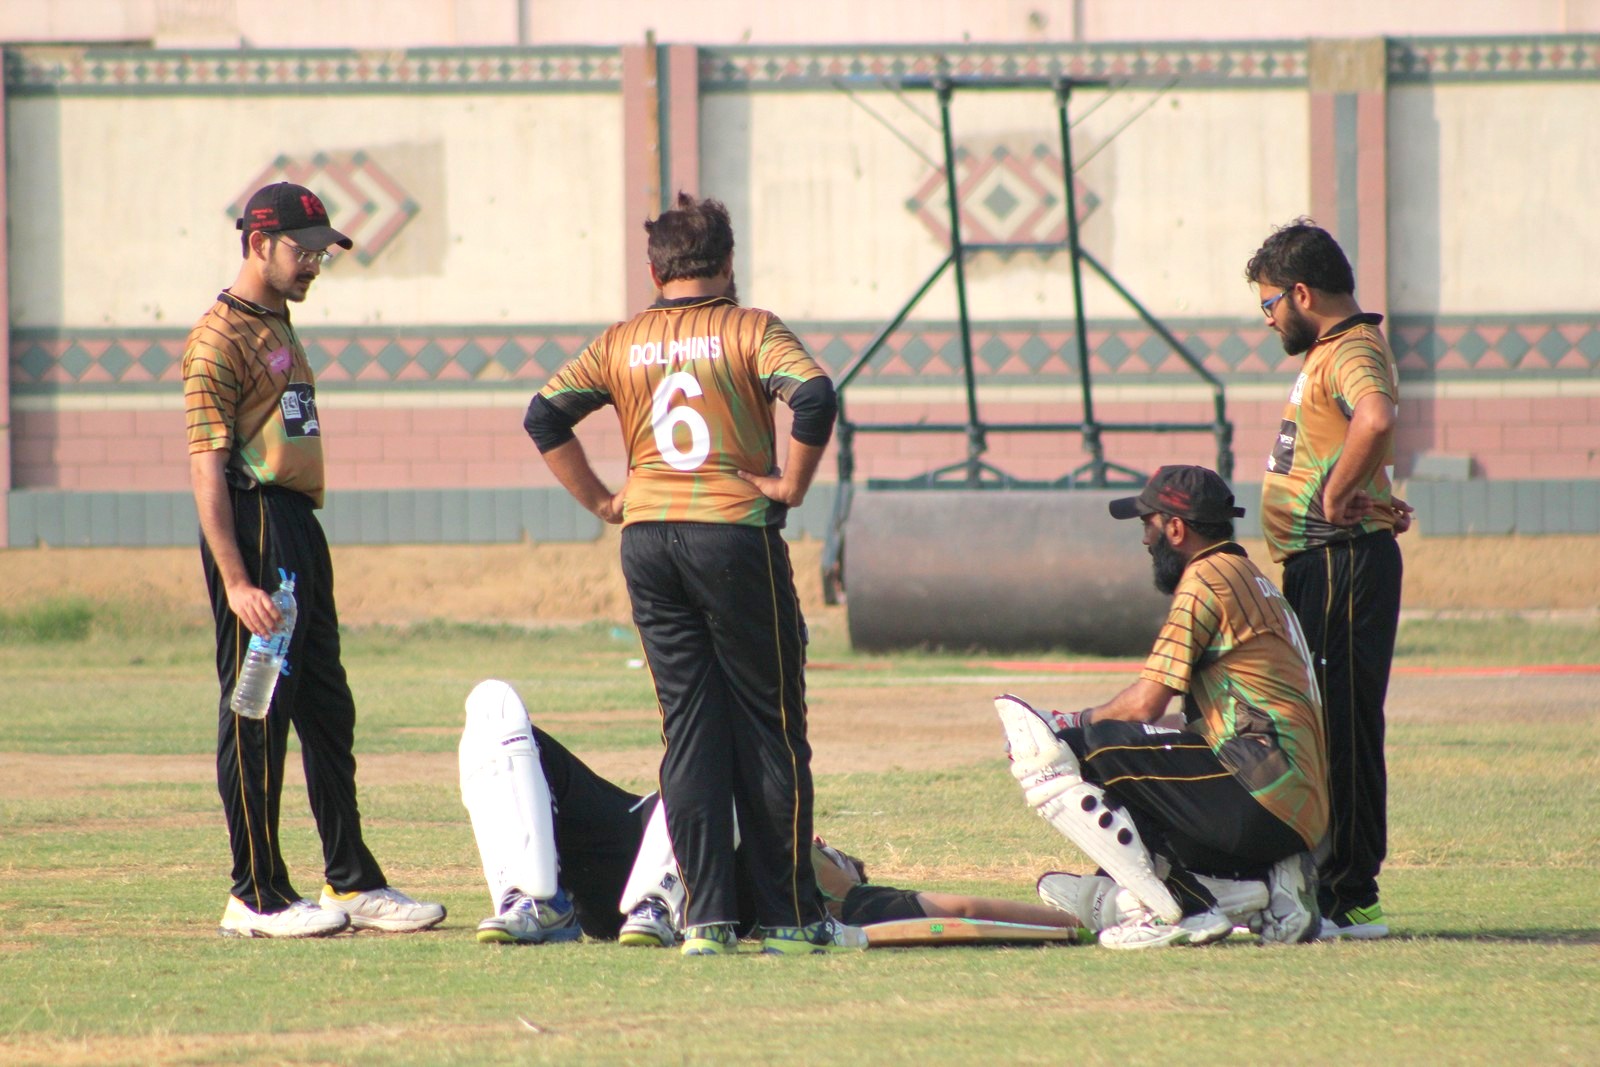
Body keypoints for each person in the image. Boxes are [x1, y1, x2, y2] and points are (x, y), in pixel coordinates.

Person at [522, 193, 856, 956]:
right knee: (769, 727)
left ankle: (704, 918)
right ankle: (789, 918)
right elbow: (813, 395)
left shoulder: (620, 341)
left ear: (654, 270)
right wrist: (791, 484)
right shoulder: (751, 329)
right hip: (733, 536)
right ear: (729, 263)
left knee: (690, 730)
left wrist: (603, 500)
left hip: (648, 542)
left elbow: (543, 415)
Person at [183, 182, 444, 938]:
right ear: (259, 243)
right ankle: (256, 893)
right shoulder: (217, 339)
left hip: (297, 525)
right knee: (258, 708)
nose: (314, 265)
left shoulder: (276, 320)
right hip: (257, 526)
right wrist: (237, 580)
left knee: (328, 708)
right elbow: (206, 467)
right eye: (303, 251)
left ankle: (351, 881)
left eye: (322, 253)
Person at [458, 680, 1082, 948]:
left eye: (833, 852)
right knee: (492, 702)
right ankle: (534, 900)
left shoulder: (821, 898)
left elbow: (962, 910)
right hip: (618, 844)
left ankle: (664, 907)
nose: (819, 839)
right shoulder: (734, 810)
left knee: (739, 767)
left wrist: (1075, 921)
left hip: (683, 891)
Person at [996, 465, 1329, 949]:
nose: (1144, 539)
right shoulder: (1247, 576)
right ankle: (1268, 887)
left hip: (1262, 795)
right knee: (1128, 748)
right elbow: (1191, 722)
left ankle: (1176, 910)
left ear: (1175, 528)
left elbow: (1145, 705)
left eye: (1147, 524)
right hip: (1294, 805)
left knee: (1079, 748)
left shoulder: (1206, 580)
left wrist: (1067, 725)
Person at [1246, 219, 1412, 939]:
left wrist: (1342, 495)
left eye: (1269, 303)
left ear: (1302, 293)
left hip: (1342, 563)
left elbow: (1375, 417)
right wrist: (1359, 489)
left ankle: (1352, 897)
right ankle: (1329, 883)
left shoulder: (1351, 348)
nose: (1267, 318)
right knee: (1322, 723)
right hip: (1327, 563)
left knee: (1342, 725)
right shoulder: (1332, 350)